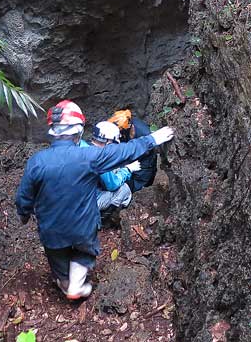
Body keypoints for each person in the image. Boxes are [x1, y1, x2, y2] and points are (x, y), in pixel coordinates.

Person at [15, 99, 174, 300]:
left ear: (53, 132)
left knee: (58, 261)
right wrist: (152, 139)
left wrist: (23, 214)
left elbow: (24, 197)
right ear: (79, 131)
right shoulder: (89, 157)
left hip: (51, 229)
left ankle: (65, 282)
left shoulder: (37, 162)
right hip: (82, 226)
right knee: (84, 252)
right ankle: (76, 284)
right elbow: (123, 153)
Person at [81, 121, 136, 222]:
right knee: (124, 190)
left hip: (69, 201)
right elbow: (112, 185)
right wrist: (128, 170)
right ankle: (104, 219)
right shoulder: (100, 158)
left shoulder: (81, 146)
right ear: (109, 142)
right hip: (85, 205)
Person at [107, 109, 158, 192]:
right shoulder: (120, 132)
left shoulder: (143, 132)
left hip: (144, 161)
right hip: (130, 157)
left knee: (139, 185)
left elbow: (147, 149)